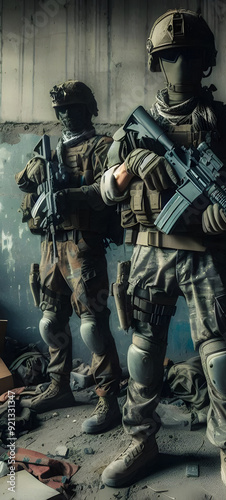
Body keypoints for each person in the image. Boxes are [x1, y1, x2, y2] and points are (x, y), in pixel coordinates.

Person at [100, 9, 226, 499]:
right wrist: (128, 167)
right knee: (144, 354)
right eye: (170, 56)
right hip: (150, 252)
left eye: (190, 56)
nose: (180, 65)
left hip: (207, 258)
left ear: (207, 62)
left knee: (219, 361)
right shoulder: (134, 128)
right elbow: (105, 192)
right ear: (156, 63)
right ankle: (141, 441)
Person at [15, 80, 122, 434]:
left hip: (83, 246)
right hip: (50, 243)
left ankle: (108, 399)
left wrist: (70, 196)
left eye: (72, 109)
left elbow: (108, 191)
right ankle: (59, 386)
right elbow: (24, 184)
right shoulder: (48, 149)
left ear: (88, 109)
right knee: (51, 321)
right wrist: (32, 172)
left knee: (92, 325)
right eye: (60, 111)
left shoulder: (103, 146)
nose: (65, 116)